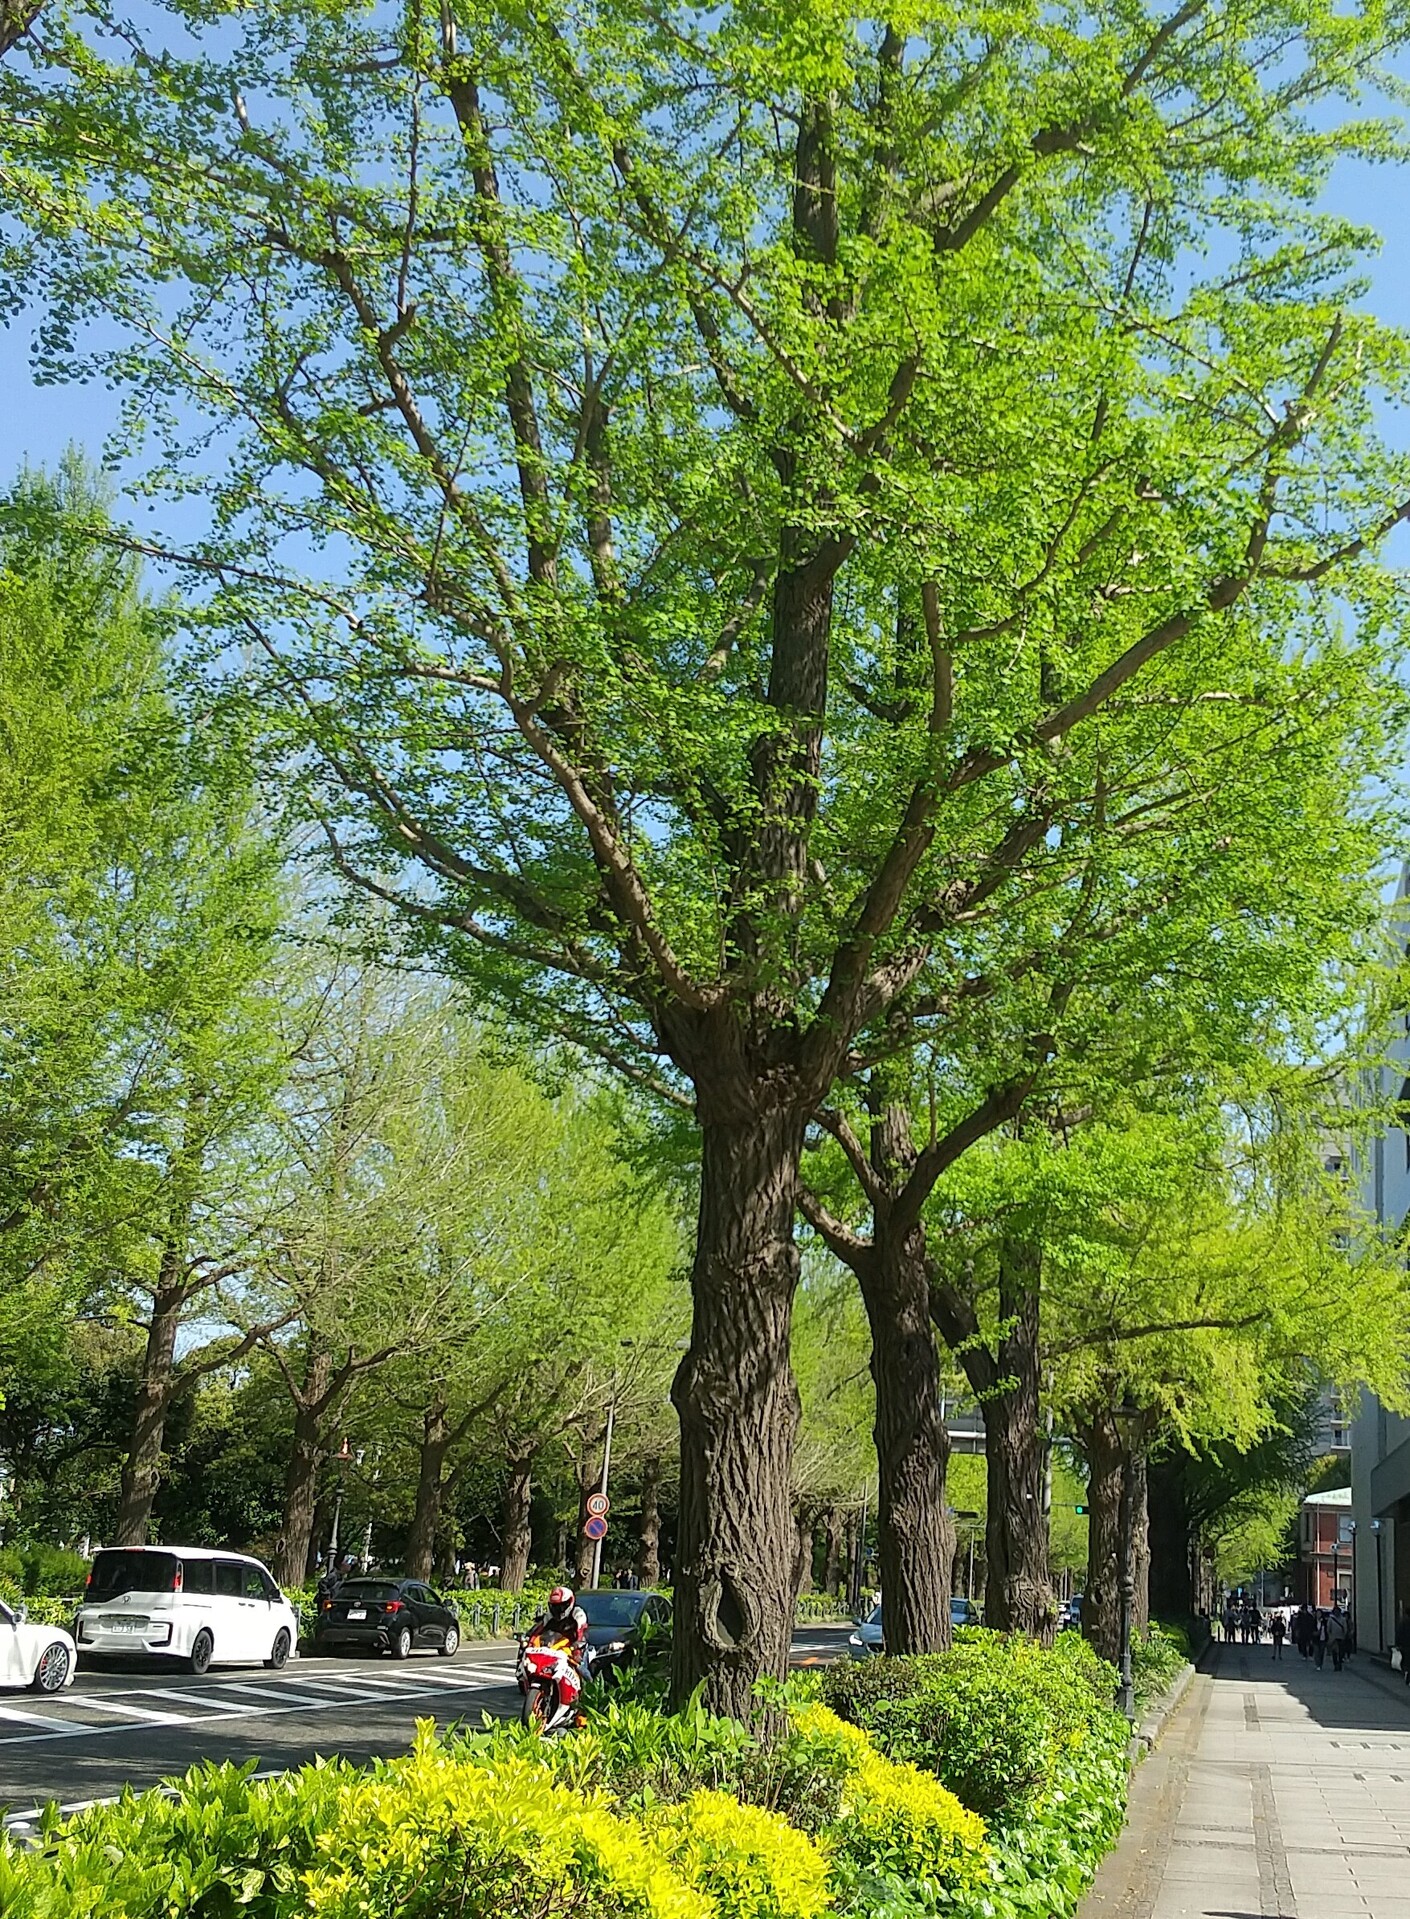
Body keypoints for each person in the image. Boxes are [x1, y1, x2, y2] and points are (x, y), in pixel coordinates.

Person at [534, 1584, 592, 1689]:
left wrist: (577, 1648)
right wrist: (529, 1638)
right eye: (555, 1606)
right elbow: (539, 1628)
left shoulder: (578, 1613)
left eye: (561, 1606)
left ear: (569, 1602)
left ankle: (589, 1691)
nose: (558, 1609)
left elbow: (581, 1630)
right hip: (557, 1646)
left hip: (576, 1646)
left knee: (581, 1668)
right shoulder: (550, 1615)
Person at [1326, 1602, 1348, 1672]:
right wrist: (1330, 1636)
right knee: (1334, 1652)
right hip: (1333, 1639)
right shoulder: (1331, 1619)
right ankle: (1336, 1664)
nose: (1336, 1613)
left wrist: (1344, 1635)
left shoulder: (1343, 1619)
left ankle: (1339, 1663)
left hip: (1341, 1638)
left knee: (1341, 1652)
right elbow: (1328, 1629)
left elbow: (1345, 1628)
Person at [1394, 1605, 1410, 1685]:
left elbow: (1399, 1633)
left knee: (1405, 1660)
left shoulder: (1403, 1622)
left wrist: (1397, 1644)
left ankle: (1407, 1673)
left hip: (1405, 1645)